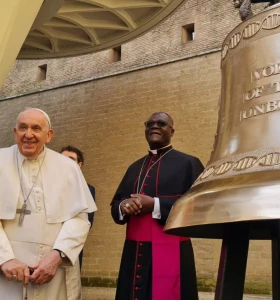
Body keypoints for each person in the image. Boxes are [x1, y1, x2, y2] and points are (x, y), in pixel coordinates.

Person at [0, 108, 97, 300]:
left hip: (54, 272)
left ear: (49, 135)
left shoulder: (68, 167)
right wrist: (5, 258)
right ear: (15, 132)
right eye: (23, 128)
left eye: (36, 128)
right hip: (5, 273)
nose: (29, 134)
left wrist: (57, 256)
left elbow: (79, 218)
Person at [110, 112, 204, 300]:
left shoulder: (189, 163)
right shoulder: (134, 167)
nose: (154, 126)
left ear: (172, 130)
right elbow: (115, 203)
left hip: (172, 248)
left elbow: (199, 204)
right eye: (149, 124)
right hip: (134, 251)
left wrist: (155, 204)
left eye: (161, 123)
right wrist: (124, 206)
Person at [60, 145, 96, 269]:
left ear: (79, 164)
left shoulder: (88, 189)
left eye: (70, 159)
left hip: (71, 245)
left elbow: (87, 221)